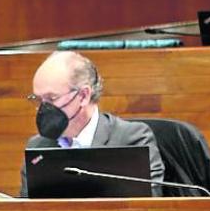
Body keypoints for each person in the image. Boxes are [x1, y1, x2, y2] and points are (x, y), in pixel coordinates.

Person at [20, 51, 164, 197]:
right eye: (38, 100)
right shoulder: (38, 147)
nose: (44, 109)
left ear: (83, 96)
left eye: (52, 98)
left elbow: (149, 208)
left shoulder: (132, 139)